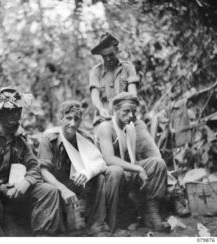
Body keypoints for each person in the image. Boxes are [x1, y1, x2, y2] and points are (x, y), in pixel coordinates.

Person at [0, 87, 63, 236]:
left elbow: (34, 166)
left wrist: (27, 182)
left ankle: (43, 237)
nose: (15, 115)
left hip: (13, 189)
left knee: (49, 191)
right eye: (10, 111)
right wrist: (0, 186)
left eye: (18, 111)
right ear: (0, 114)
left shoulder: (20, 140)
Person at [38, 100, 125, 235]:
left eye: (76, 119)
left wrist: (86, 173)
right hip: (59, 186)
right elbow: (43, 171)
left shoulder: (85, 138)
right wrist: (63, 189)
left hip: (79, 184)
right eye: (68, 118)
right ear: (60, 118)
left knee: (100, 178)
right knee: (69, 230)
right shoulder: (49, 139)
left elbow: (99, 163)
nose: (72, 124)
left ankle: (97, 226)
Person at [95, 92, 170, 231]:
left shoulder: (129, 127)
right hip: (106, 176)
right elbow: (108, 159)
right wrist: (138, 169)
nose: (131, 115)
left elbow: (130, 158)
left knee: (157, 163)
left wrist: (138, 169)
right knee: (117, 171)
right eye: (126, 111)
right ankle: (112, 224)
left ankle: (151, 213)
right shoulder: (105, 127)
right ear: (115, 109)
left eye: (133, 111)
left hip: (124, 171)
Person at [89, 32, 161, 160]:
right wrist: (101, 109)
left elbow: (132, 93)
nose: (108, 59)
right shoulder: (96, 72)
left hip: (128, 118)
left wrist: (128, 110)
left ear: (116, 51)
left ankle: (165, 177)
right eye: (104, 56)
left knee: (150, 149)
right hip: (104, 120)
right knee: (99, 156)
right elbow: (95, 95)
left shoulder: (127, 68)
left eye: (111, 55)